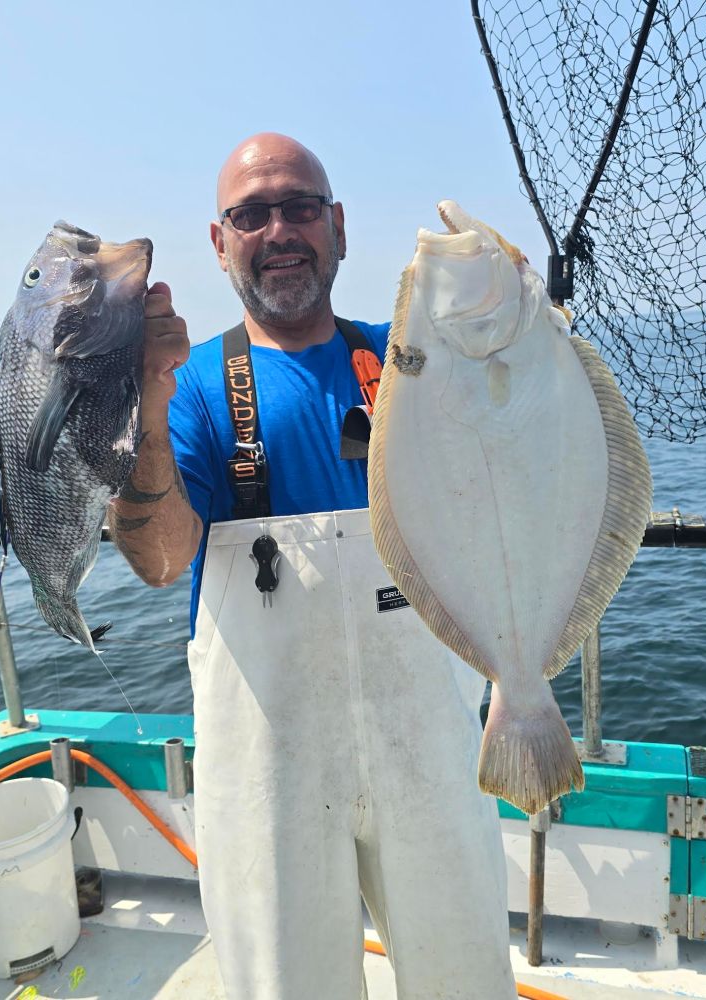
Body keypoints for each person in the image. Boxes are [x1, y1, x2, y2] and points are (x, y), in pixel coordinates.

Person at [109, 133, 517, 1000]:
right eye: (250, 215)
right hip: (270, 768)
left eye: (299, 207)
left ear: (336, 226)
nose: (279, 229)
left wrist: (520, 313)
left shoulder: (412, 362)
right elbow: (159, 558)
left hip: (431, 749)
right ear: (220, 244)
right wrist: (141, 397)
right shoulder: (189, 388)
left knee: (467, 978)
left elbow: (510, 452)